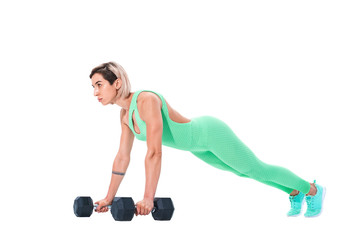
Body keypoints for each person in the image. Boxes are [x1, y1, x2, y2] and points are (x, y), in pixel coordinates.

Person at [89, 61, 326, 218]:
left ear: (116, 82)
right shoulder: (124, 115)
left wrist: (149, 198)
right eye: (93, 87)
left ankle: (313, 190)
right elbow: (122, 157)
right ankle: (295, 192)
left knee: (257, 169)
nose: (95, 92)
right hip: (197, 147)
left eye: (99, 85)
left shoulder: (145, 100)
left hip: (209, 133)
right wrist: (108, 198)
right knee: (245, 173)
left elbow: (154, 152)